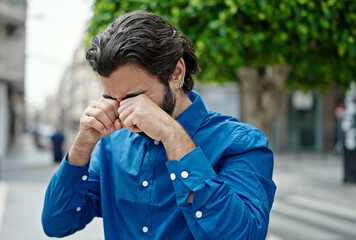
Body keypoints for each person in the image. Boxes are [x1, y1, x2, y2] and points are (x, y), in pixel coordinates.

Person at [42, 10, 276, 239]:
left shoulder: (240, 143)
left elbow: (245, 235)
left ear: (176, 73)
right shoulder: (111, 147)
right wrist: (83, 143)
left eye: (134, 97)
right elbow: (57, 223)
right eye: (112, 99)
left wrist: (172, 134)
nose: (122, 112)